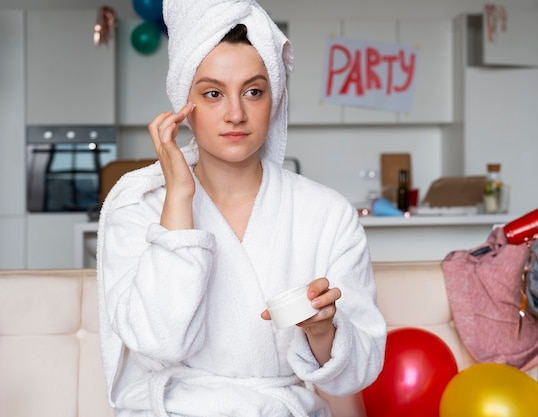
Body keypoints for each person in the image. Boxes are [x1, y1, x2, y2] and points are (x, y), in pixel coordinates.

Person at [96, 0, 386, 415]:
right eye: (213, 93)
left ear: (276, 98)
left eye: (254, 91)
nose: (236, 113)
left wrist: (323, 330)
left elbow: (354, 375)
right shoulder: (139, 207)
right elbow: (159, 341)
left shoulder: (326, 213)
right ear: (184, 104)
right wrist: (179, 197)